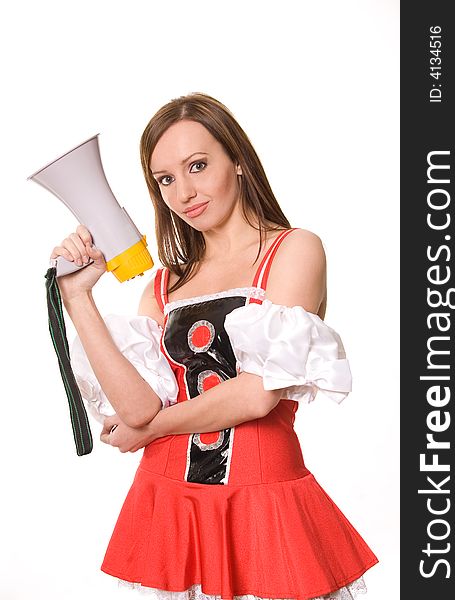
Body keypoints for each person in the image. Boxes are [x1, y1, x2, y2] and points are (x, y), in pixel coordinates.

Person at [52, 92, 378, 600]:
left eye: (197, 166)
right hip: (171, 504)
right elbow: (137, 406)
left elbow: (256, 396)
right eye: (166, 179)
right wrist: (77, 297)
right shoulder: (163, 286)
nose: (184, 192)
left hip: (263, 505)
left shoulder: (293, 250)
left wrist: (149, 430)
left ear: (239, 161)